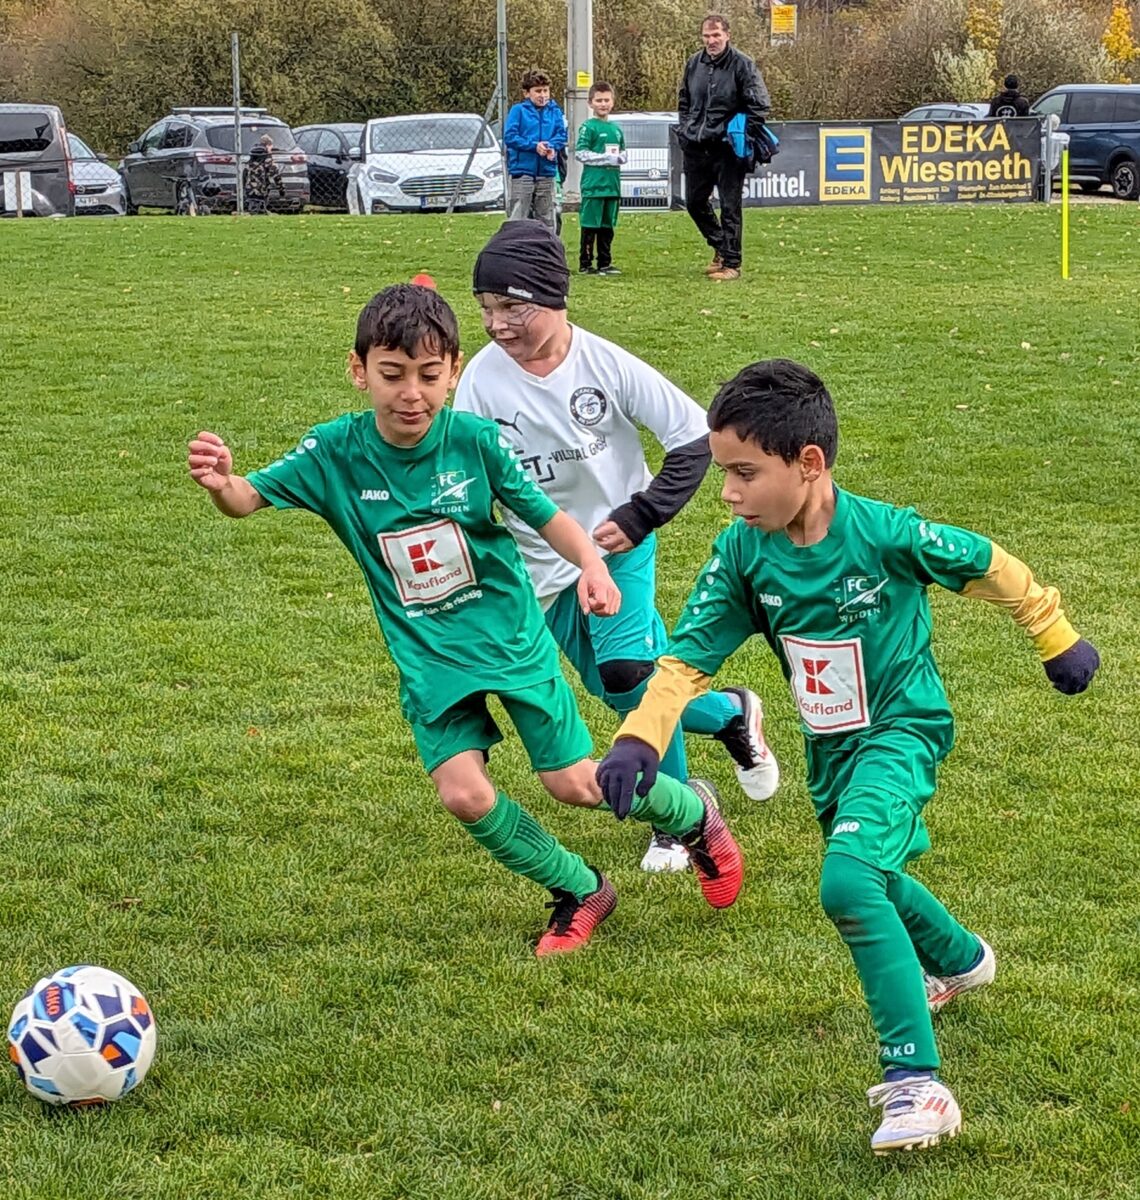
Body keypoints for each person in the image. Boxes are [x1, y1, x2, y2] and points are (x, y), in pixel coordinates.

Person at [597, 359, 1100, 1152]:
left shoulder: (885, 534)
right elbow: (686, 663)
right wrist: (638, 739)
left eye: (742, 473)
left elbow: (986, 561)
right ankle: (961, 962)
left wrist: (1054, 634)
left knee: (848, 880)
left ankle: (917, 1086)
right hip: (830, 748)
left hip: (904, 730)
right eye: (722, 471)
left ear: (808, 465)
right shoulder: (742, 555)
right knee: (876, 871)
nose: (726, 492)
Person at [186, 283, 744, 956]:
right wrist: (223, 484)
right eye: (391, 375)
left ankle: (694, 815)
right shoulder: (334, 451)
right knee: (464, 795)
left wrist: (592, 567)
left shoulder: (477, 442)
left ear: (453, 372)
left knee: (572, 785)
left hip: (511, 640)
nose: (410, 394)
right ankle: (579, 888)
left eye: (428, 375)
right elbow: (249, 499)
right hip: (430, 657)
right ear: (358, 370)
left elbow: (549, 517)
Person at [453, 221, 780, 875]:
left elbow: (693, 438)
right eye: (486, 309)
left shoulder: (602, 364)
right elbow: (469, 476)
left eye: (512, 308)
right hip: (543, 567)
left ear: (553, 297)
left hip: (619, 549)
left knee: (629, 673)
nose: (496, 325)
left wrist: (642, 514)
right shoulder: (484, 382)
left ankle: (679, 811)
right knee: (615, 690)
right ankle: (729, 714)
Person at [677, 14, 770, 281]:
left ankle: (732, 263)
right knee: (694, 202)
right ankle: (720, 246)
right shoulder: (694, 63)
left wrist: (736, 134)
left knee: (730, 206)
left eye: (716, 35)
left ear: (727, 35)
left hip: (727, 149)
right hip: (696, 145)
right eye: (707, 36)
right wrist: (686, 128)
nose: (711, 41)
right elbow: (684, 100)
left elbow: (760, 105)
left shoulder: (743, 64)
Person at [503, 69, 567, 231]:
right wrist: (534, 146)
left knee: (546, 215)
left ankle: (548, 250)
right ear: (527, 93)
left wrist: (551, 147)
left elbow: (561, 135)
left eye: (545, 90)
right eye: (538, 91)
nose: (542, 95)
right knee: (519, 214)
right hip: (523, 171)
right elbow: (510, 136)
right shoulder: (518, 111)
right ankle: (515, 249)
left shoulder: (555, 111)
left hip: (546, 171)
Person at [574, 81, 627, 275]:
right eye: (599, 100)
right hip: (594, 186)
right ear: (591, 103)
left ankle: (605, 262)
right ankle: (585, 263)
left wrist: (620, 158)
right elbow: (581, 153)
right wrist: (604, 158)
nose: (603, 104)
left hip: (612, 186)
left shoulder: (616, 129)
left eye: (606, 100)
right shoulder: (588, 127)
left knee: (607, 226)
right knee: (590, 225)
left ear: (612, 102)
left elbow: (623, 153)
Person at [243, 141, 282, 215]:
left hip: (249, 192)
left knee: (253, 201)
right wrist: (281, 190)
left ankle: (253, 209)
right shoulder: (269, 165)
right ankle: (261, 208)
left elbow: (243, 180)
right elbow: (277, 178)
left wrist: (242, 190)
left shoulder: (247, 166)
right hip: (262, 191)